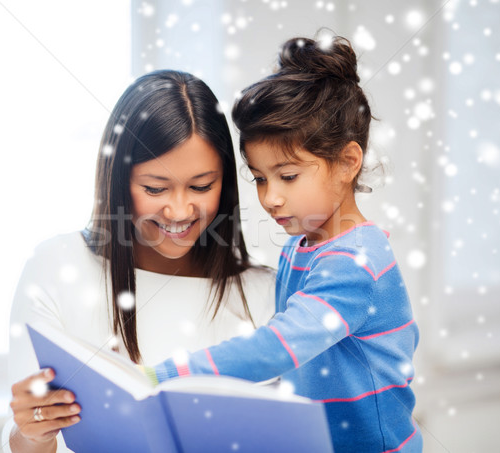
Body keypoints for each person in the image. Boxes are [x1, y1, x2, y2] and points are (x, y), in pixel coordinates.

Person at [145, 36, 422, 452]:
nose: (270, 197)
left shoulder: (357, 262)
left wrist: (165, 376)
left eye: (287, 176)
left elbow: (278, 348)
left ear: (348, 162)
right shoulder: (301, 248)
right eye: (259, 177)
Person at [3, 70, 275, 453]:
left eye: (201, 186)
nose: (180, 209)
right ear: (118, 182)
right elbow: (28, 439)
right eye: (155, 188)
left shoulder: (265, 293)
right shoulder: (56, 268)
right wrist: (33, 433)